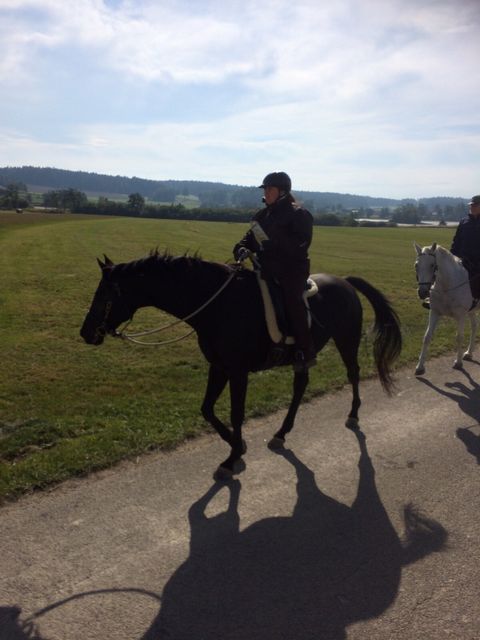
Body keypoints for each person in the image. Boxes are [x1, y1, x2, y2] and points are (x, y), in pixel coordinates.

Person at [233, 171, 316, 372]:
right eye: (266, 189)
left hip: (291, 272)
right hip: (265, 270)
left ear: (282, 192)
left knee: (292, 300)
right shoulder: (261, 216)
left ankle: (305, 351)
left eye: (270, 188)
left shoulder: (299, 214)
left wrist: (275, 244)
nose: (267, 192)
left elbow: (302, 244)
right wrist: (241, 248)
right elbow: (248, 239)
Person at [450, 194, 480, 301]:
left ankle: (474, 301)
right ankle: (434, 299)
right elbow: (456, 241)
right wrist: (451, 257)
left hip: (477, 263)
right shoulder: (463, 222)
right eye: (471, 205)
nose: (472, 207)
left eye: (475, 205)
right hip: (462, 260)